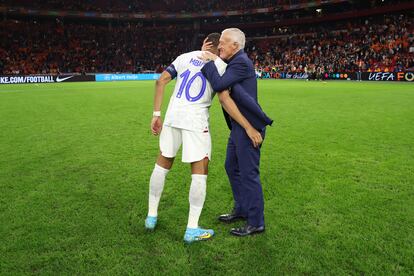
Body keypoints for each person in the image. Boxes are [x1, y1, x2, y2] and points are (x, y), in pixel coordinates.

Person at [145, 33, 263, 243]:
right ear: (219, 47)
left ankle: (151, 216)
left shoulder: (184, 56)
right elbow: (224, 98)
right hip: (196, 122)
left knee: (162, 164)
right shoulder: (221, 65)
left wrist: (156, 114)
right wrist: (247, 126)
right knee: (199, 172)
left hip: (172, 117)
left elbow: (160, 81)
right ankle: (192, 229)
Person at [200, 28, 273, 237]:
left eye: (223, 42)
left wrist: (209, 62)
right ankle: (241, 209)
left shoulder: (240, 62)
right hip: (238, 127)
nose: (219, 45)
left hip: (249, 128)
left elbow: (220, 84)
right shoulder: (232, 63)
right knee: (231, 167)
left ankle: (256, 222)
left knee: (249, 174)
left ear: (236, 46)